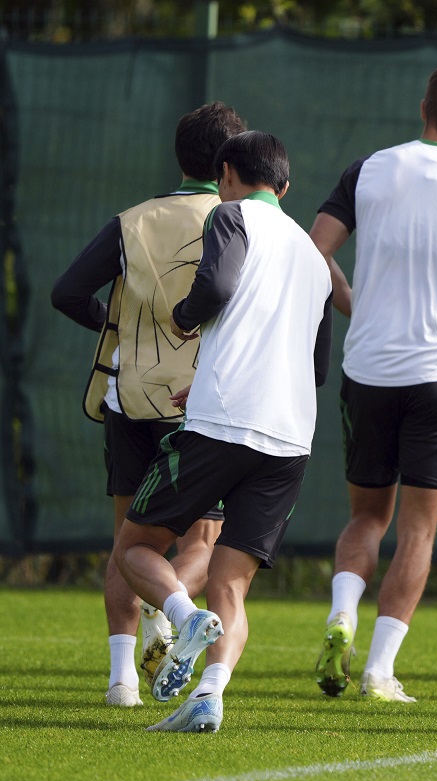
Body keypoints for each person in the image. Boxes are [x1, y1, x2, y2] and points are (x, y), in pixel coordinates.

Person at [113, 131, 334, 732]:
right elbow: (315, 365)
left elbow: (215, 288)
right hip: (289, 436)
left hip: (222, 424)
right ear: (285, 187)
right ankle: (209, 696)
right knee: (231, 582)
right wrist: (214, 376)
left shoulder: (230, 215)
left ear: (227, 174)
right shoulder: (315, 258)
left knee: (134, 548)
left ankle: (184, 618)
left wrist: (183, 320)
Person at [50, 102, 245, 707]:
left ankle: (121, 680)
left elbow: (67, 292)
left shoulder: (132, 221)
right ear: (229, 163)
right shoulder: (242, 221)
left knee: (128, 541)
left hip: (130, 398)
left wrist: (120, 328)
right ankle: (171, 624)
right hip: (204, 406)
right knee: (200, 542)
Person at [307, 64, 437, 703]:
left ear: (423, 108)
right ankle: (380, 670)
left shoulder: (370, 168)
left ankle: (341, 617)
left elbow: (315, 250)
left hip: (367, 370)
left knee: (366, 516)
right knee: (417, 529)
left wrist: (354, 302)